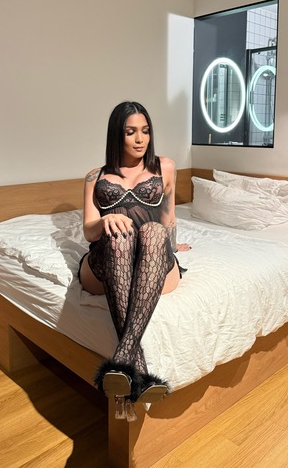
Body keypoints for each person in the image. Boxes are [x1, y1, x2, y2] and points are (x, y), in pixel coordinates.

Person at [79, 101, 189, 421]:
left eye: (145, 131)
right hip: (107, 259)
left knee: (153, 231)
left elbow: (168, 217)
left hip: (152, 259)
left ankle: (122, 362)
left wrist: (172, 245)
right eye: (131, 132)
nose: (140, 139)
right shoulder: (95, 176)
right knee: (120, 236)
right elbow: (87, 230)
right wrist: (104, 220)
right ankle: (136, 365)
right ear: (117, 134)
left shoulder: (165, 167)